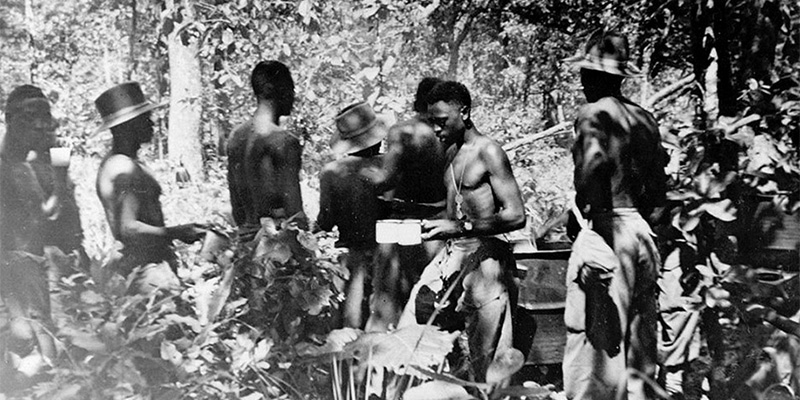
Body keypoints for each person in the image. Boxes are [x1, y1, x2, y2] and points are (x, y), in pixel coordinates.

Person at [397, 81, 526, 384]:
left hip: (486, 262)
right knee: (412, 330)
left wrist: (460, 227)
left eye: (442, 121)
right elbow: (453, 208)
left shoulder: (489, 151)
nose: (436, 129)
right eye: (432, 122)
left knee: (486, 360)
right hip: (452, 257)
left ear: (464, 112)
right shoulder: (451, 151)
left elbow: (516, 214)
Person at [562, 31, 667, 400]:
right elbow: (658, 192)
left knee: (594, 346)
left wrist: (591, 221)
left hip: (609, 229)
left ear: (593, 76)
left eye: (585, 73)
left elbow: (591, 168)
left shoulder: (592, 114)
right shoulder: (645, 119)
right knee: (639, 343)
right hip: (642, 233)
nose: (582, 80)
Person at [94, 82, 205, 294]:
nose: (152, 123)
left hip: (145, 267)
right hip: (145, 271)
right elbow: (129, 229)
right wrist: (178, 232)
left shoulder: (122, 163)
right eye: (145, 119)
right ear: (127, 126)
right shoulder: (123, 168)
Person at [362, 77, 448, 332]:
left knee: (387, 301)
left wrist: (360, 175)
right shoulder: (448, 134)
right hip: (438, 225)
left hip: (403, 221)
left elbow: (385, 178)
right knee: (430, 300)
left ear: (416, 102)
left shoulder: (403, 131)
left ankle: (379, 365)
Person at [0, 85, 64, 374]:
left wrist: (61, 180)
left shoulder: (28, 165)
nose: (39, 125)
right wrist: (13, 309)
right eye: (29, 117)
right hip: (12, 287)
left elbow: (44, 217)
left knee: (48, 363)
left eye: (45, 117)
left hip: (35, 278)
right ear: (9, 119)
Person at [317, 102, 388, 329]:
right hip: (388, 256)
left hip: (353, 257)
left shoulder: (332, 173)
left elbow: (325, 222)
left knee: (350, 323)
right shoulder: (388, 165)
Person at [227, 60, 304, 238]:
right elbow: (294, 215)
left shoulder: (235, 136)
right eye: (289, 88)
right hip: (278, 246)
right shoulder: (284, 141)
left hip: (245, 241)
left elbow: (236, 205)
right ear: (270, 89)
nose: (293, 96)